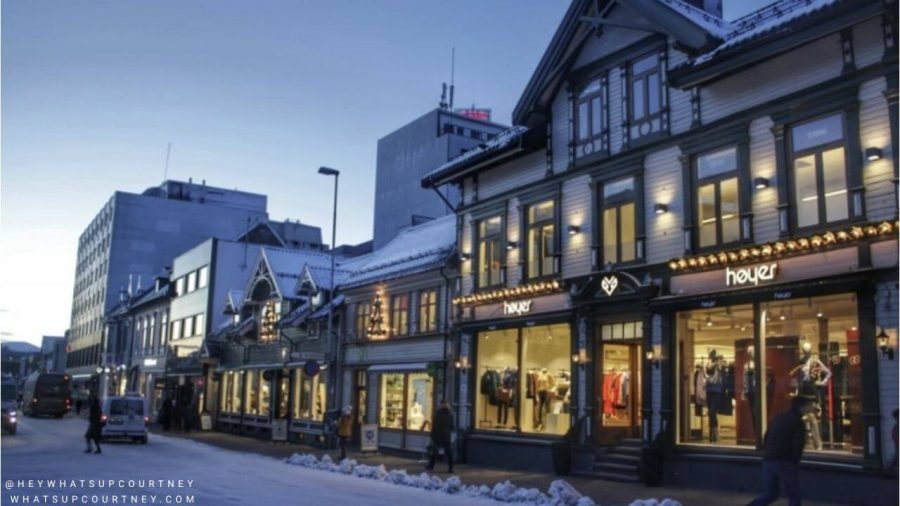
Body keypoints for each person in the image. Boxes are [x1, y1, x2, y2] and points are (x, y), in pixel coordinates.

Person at [747, 396, 812, 506]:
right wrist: (795, 460)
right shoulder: (798, 422)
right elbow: (797, 444)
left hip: (769, 459)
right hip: (785, 461)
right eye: (808, 406)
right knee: (793, 494)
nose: (809, 409)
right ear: (802, 407)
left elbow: (766, 437)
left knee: (770, 493)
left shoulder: (779, 418)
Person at [427, 399, 454, 473]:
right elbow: (452, 426)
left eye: (441, 404)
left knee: (434, 450)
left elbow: (435, 425)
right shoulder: (450, 414)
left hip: (438, 435)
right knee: (448, 452)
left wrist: (432, 434)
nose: (440, 405)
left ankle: (431, 465)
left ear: (441, 405)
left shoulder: (438, 414)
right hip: (446, 435)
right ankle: (451, 467)